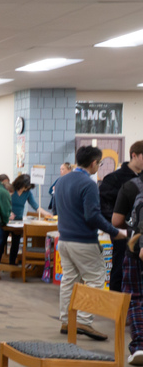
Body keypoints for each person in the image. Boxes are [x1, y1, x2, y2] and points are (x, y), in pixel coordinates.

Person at [53, 146, 127, 341]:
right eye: (99, 163)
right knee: (95, 279)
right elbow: (92, 216)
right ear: (94, 163)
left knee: (69, 279)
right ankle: (84, 321)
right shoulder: (88, 184)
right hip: (83, 241)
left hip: (64, 240)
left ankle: (67, 321)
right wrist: (115, 232)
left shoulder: (61, 181)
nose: (98, 167)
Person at [99, 143, 143, 292]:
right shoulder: (114, 179)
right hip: (123, 234)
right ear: (134, 155)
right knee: (120, 270)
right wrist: (123, 227)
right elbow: (104, 207)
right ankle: (115, 309)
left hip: (139, 235)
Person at [0, 174, 53, 267]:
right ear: (21, 183)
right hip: (6, 219)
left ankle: (12, 264)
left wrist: (47, 214)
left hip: (18, 220)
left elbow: (35, 206)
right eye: (26, 187)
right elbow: (3, 203)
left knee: (16, 243)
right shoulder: (11, 189)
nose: (27, 189)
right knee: (1, 242)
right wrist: (8, 212)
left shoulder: (27, 193)